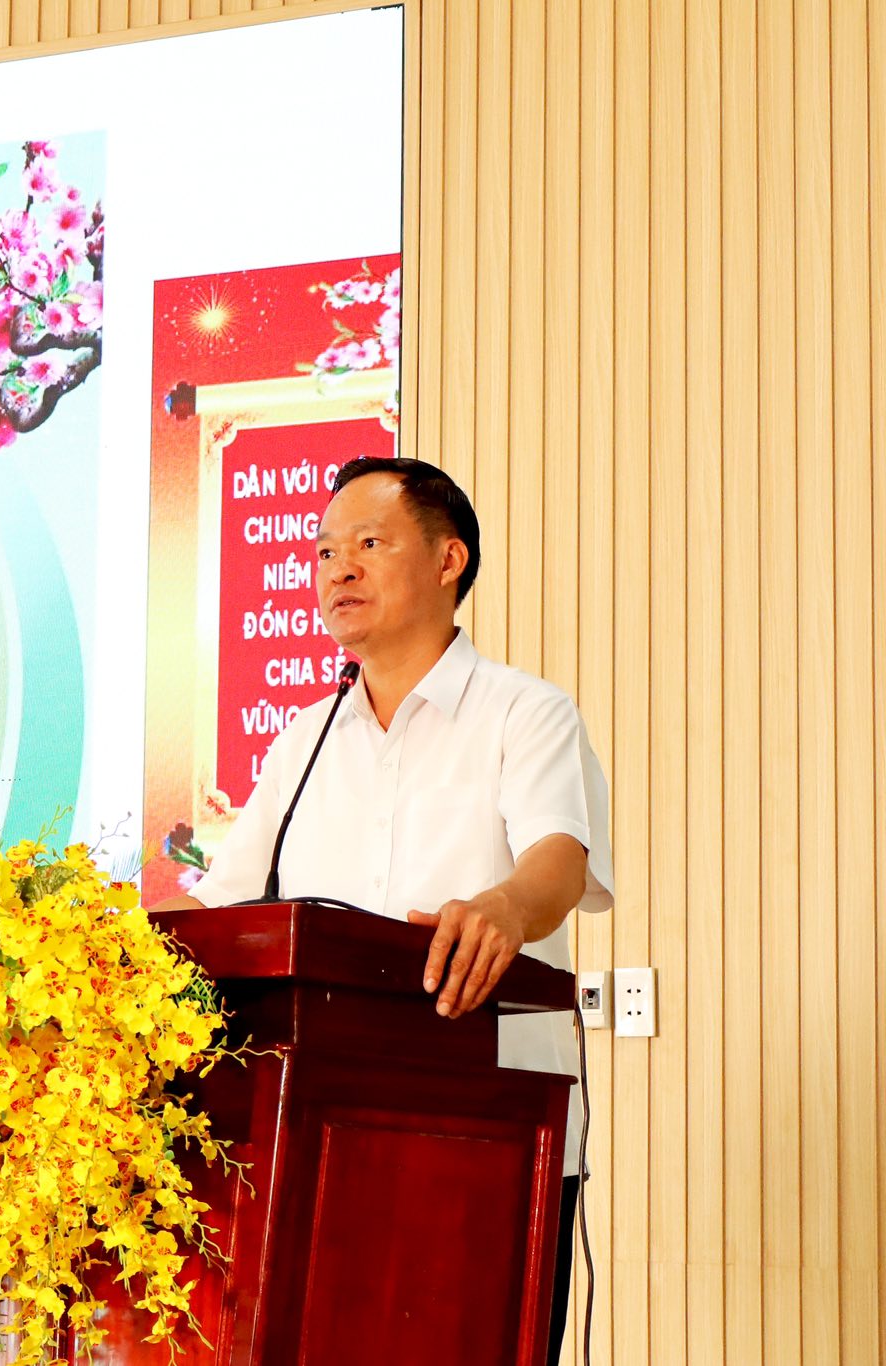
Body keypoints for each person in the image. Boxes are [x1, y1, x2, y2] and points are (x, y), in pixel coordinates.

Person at [157, 456, 612, 1366]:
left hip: (487, 1126)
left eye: (369, 543)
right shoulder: (306, 738)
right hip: (317, 1136)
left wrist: (502, 907)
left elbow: (559, 863)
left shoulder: (526, 713)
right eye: (326, 552)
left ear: (449, 560)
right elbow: (218, 905)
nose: (339, 571)